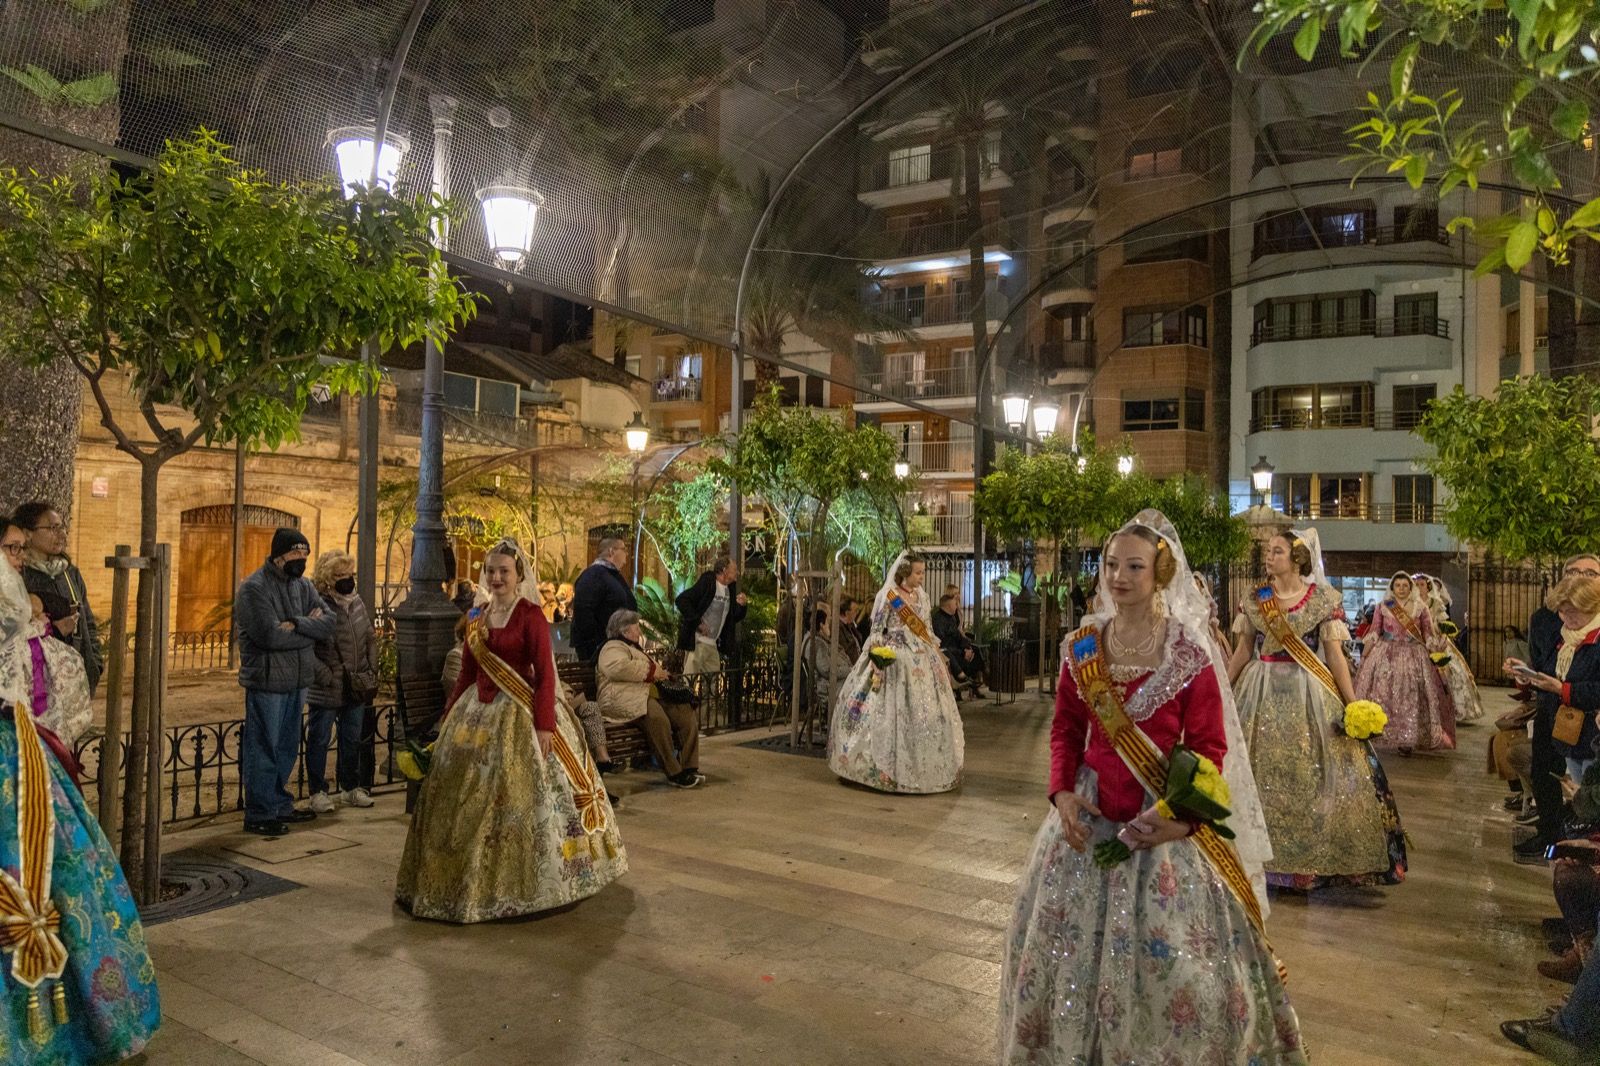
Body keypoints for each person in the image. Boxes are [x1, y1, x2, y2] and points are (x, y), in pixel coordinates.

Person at [999, 512, 1302, 1064]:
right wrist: (1061, 793)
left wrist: (1181, 819)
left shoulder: (1188, 654)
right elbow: (1066, 729)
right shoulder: (1082, 647)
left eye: (1133, 566)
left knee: (1178, 971)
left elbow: (1210, 749)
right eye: (1111, 564)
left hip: (1162, 829)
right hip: (1086, 824)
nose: (1118, 577)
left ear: (1159, 573)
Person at [397, 541, 624, 922]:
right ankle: (457, 883)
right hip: (476, 715)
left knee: (520, 797)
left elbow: (545, 674)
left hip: (519, 714)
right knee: (465, 800)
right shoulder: (476, 616)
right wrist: (447, 718)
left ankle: (522, 884)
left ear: (519, 575)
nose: (496, 577)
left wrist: (545, 725)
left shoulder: (530, 615)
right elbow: (468, 672)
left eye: (504, 570)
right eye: (490, 570)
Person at [0, 558, 161, 1063]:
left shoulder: (7, 588)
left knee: (47, 870)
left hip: (13, 757)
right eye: (11, 546)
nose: (16, 556)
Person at [1228, 528, 1407, 889]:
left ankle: (1305, 864)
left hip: (1307, 690)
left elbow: (1335, 658)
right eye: (1267, 551)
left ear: (1297, 559)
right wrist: (1222, 690)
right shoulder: (1255, 598)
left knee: (1313, 776)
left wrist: (1352, 701)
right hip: (1259, 691)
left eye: (1276, 551)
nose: (1268, 556)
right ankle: (1261, 861)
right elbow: (1243, 651)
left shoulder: (1322, 600)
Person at [828, 553, 964, 794]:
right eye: (918, 572)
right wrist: (880, 655)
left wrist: (934, 653)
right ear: (905, 573)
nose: (922, 577)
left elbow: (927, 630)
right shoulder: (888, 597)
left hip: (920, 659)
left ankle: (923, 765)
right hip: (894, 658)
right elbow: (878, 629)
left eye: (923, 572)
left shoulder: (922, 596)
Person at [235, 528, 333, 837]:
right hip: (268, 680)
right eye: (295, 555)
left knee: (288, 745)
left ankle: (279, 804)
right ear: (279, 556)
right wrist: (308, 630)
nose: (301, 561)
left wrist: (298, 625)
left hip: (297, 679)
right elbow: (270, 635)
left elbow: (328, 623)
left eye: (305, 555)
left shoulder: (303, 586)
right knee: (264, 746)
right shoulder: (254, 588)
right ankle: (259, 811)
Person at [1513, 555, 1600, 864]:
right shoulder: (1560, 631)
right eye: (1562, 611)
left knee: (1588, 804)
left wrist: (1561, 689)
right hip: (1560, 723)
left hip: (1590, 732)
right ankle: (1561, 846)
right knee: (1562, 787)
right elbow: (1548, 669)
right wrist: (1529, 675)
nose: (1566, 617)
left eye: (1589, 573)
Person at [0, 516, 91, 746]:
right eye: (13, 548)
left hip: (23, 720)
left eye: (22, 548)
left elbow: (66, 606)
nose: (21, 555)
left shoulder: (18, 597)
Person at [305, 550, 379, 813]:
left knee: (352, 738)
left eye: (349, 575)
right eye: (340, 576)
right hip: (327, 686)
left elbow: (369, 635)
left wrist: (371, 665)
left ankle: (350, 787)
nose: (347, 580)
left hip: (355, 684)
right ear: (327, 579)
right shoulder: (317, 605)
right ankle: (317, 791)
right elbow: (307, 646)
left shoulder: (356, 602)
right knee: (319, 738)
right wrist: (323, 674)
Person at [597, 609, 703, 788]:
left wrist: (662, 675)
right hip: (623, 697)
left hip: (646, 693)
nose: (640, 633)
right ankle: (674, 771)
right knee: (657, 719)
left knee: (685, 713)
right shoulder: (612, 647)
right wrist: (652, 672)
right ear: (624, 632)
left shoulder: (634, 649)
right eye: (637, 628)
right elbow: (617, 668)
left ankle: (689, 767)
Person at [1353, 572, 1457, 754]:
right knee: (1384, 692)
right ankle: (1382, 731)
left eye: (1405, 585)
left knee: (1411, 694)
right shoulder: (1384, 606)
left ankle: (1409, 738)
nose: (1401, 589)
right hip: (1386, 654)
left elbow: (1427, 634)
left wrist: (1436, 650)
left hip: (1414, 655)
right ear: (1392, 588)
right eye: (1397, 585)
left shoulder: (1421, 607)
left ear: (1411, 588)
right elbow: (1375, 631)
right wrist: (1365, 655)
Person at [14, 501, 102, 696]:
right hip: (36, 690)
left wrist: (94, 665)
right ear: (28, 534)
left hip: (76, 685)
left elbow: (88, 623)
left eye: (61, 527)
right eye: (52, 528)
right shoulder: (20, 575)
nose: (61, 534)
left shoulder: (70, 573)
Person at [1416, 572, 1485, 724]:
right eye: (1416, 585)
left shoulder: (1435, 603)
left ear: (1428, 587)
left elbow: (1441, 622)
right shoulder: (1411, 603)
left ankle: (1450, 709)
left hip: (1435, 641)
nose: (1419, 587)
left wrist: (1437, 632)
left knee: (1449, 672)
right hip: (1416, 642)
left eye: (1421, 584)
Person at [676, 554, 748, 674]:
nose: (738, 573)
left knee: (712, 687)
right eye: (734, 569)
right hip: (698, 643)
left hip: (713, 644)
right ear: (724, 570)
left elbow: (733, 617)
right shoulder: (708, 582)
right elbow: (682, 600)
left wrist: (743, 606)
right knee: (689, 680)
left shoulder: (729, 589)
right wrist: (698, 623)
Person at [571, 538, 636, 662]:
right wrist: (597, 645)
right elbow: (583, 611)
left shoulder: (612, 575)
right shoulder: (593, 575)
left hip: (615, 647)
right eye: (624, 549)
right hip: (600, 650)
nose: (626, 555)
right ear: (611, 551)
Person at [932, 591, 985, 699]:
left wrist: (967, 648)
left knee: (976, 650)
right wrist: (962, 652)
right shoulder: (938, 620)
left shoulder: (951, 618)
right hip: (948, 650)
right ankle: (963, 680)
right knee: (951, 655)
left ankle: (976, 681)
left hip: (958, 648)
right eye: (955, 603)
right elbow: (942, 642)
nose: (957, 606)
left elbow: (959, 636)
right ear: (948, 605)